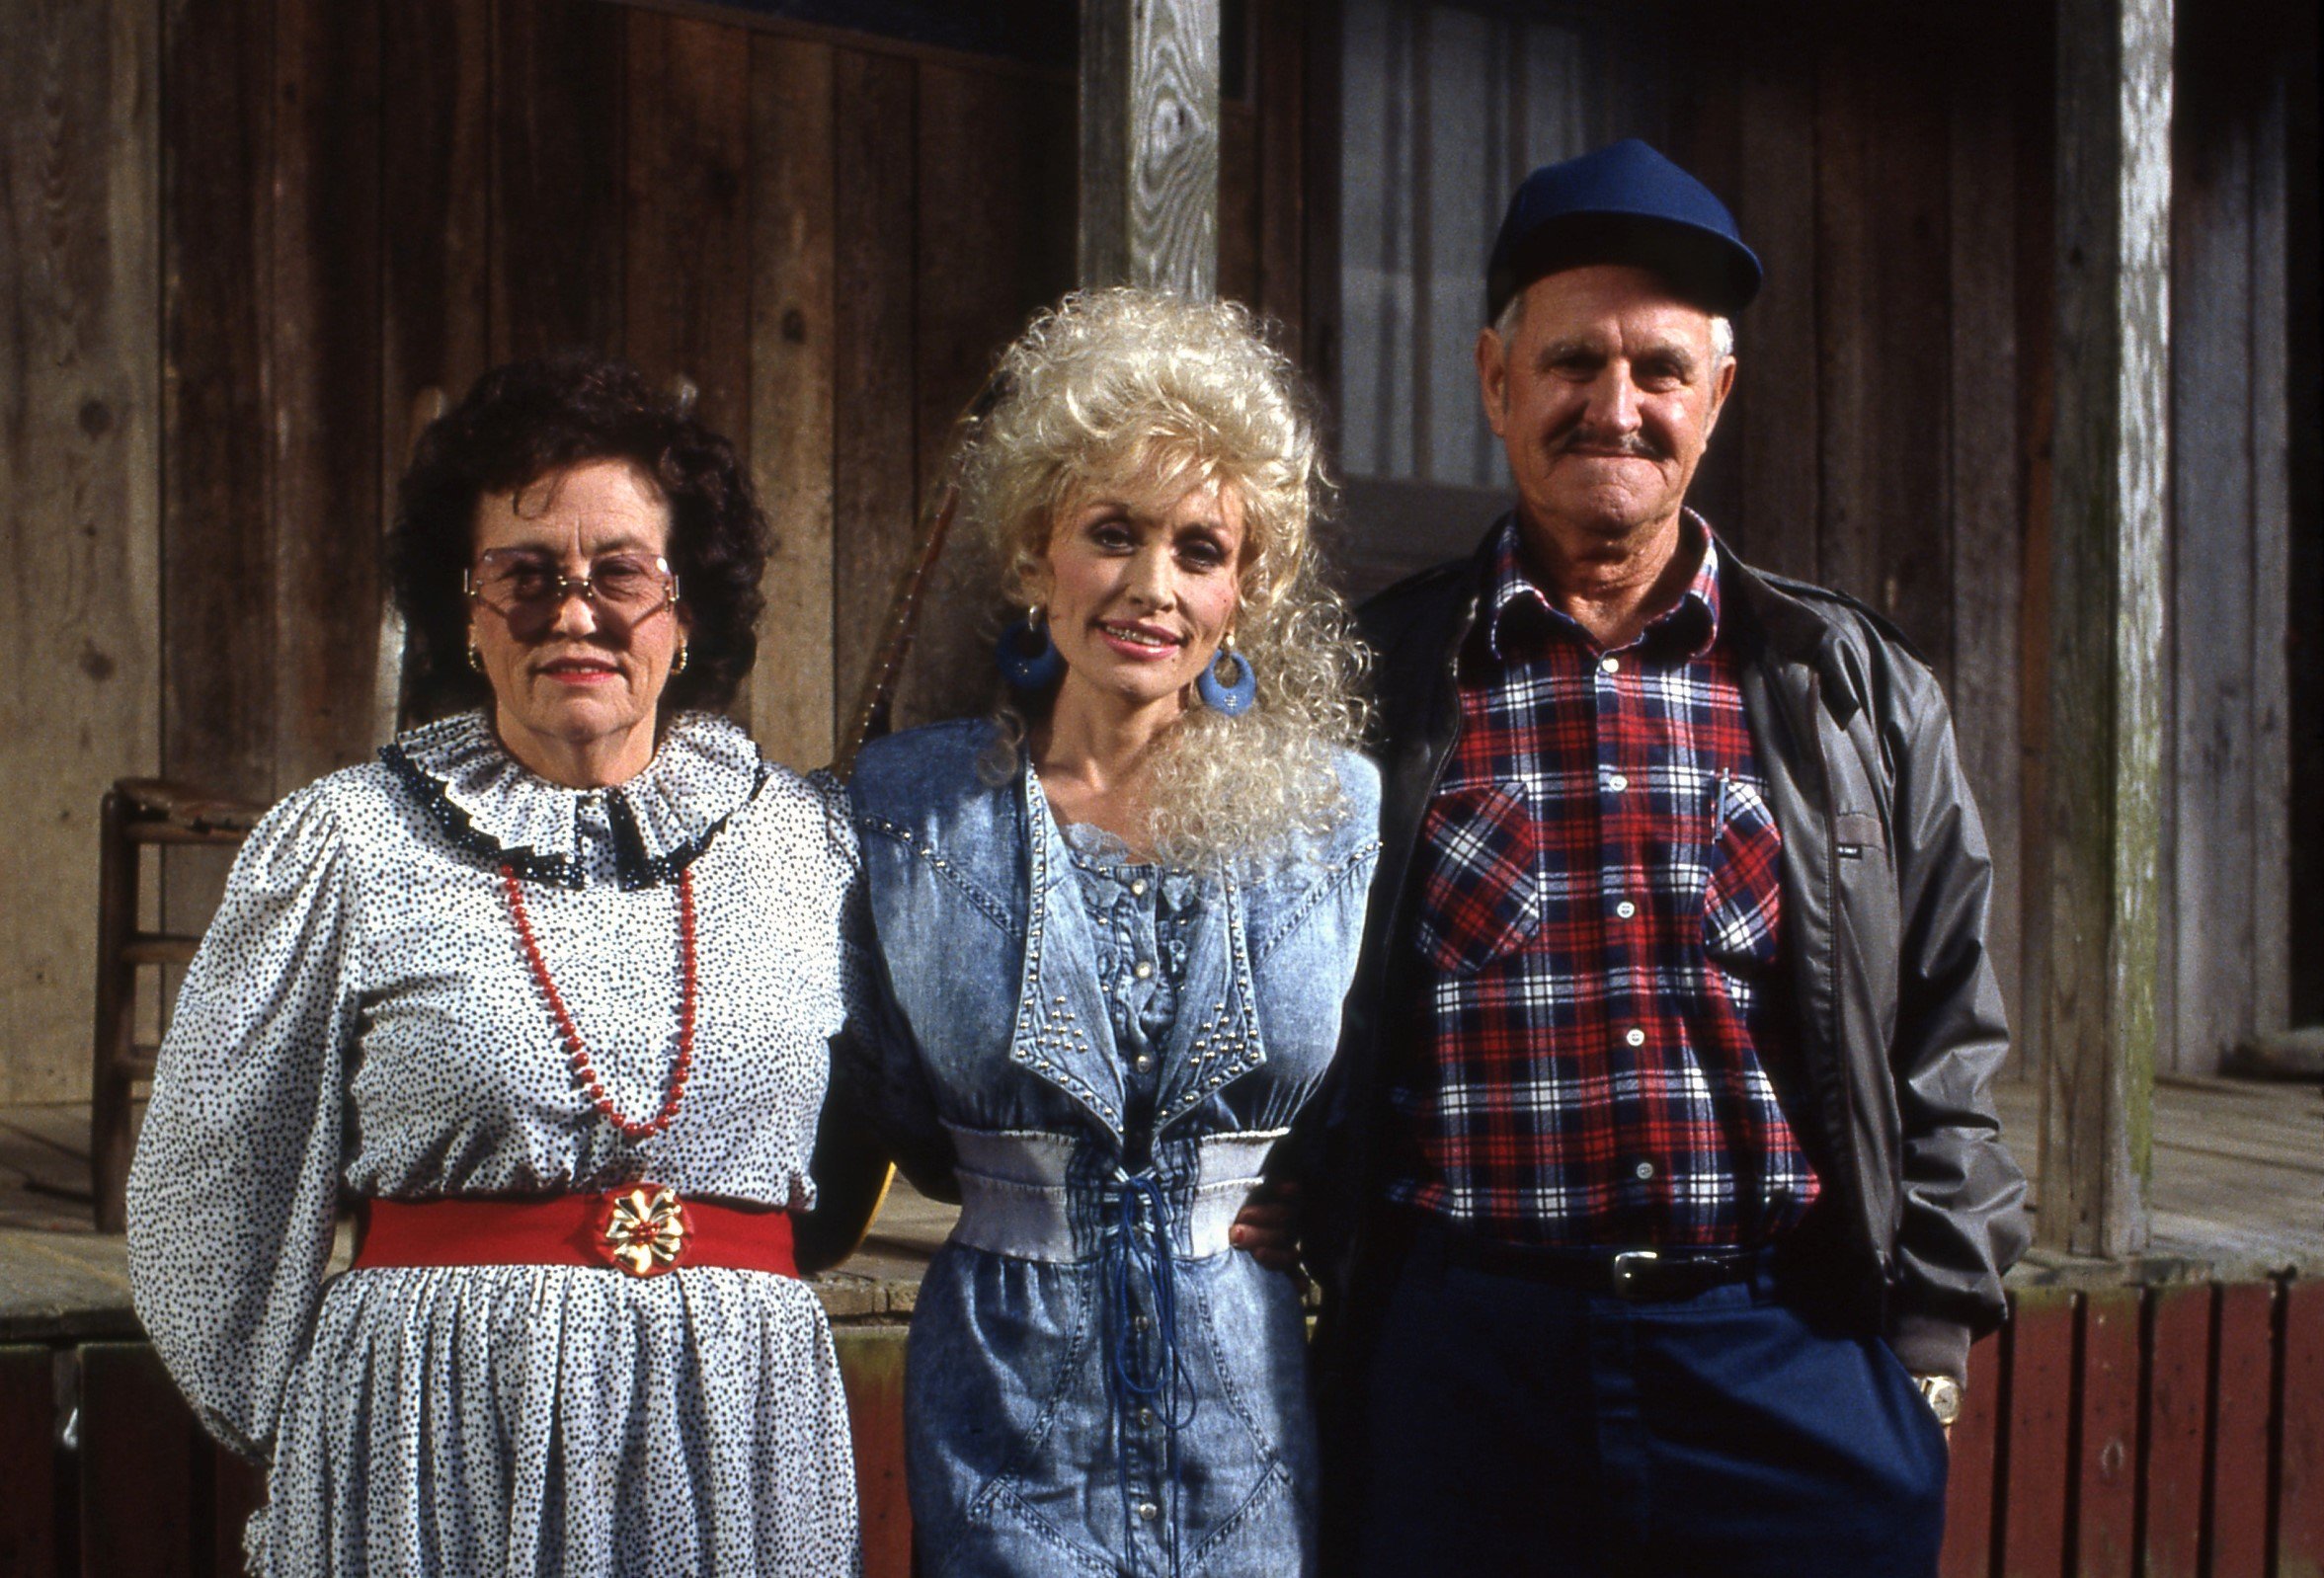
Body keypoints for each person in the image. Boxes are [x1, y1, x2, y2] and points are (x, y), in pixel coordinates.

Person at [1299, 139, 2031, 1576]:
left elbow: (1950, 1027)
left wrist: (1928, 1343)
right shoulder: (1375, 683)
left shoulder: (1850, 688)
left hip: (1787, 1357)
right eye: (1573, 363)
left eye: (1659, 370)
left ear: (1719, 398)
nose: (1613, 407)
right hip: (1462, 1375)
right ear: (1496, 380)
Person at [127, 355, 863, 1575]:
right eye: (524, 576)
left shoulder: (810, 840)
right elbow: (207, 1184)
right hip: (433, 1435)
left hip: (737, 1436)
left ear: (686, 610)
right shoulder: (348, 843)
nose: (574, 613)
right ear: (464, 612)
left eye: (620, 572)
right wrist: (329, 1423)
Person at [841, 287, 1379, 1577]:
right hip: (1005, 1409)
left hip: (1247, 1415)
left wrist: (1307, 1197)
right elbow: (891, 1105)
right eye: (1111, 533)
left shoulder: (1331, 812)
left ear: (1245, 588)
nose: (1152, 586)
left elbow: (1375, 1094)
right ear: (1034, 554)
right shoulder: (909, 813)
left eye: (1200, 548)